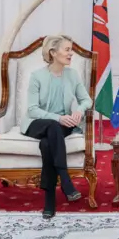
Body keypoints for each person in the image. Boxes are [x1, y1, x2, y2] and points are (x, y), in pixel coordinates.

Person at [20, 35, 93, 219]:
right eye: (67, 49)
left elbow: (87, 100)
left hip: (62, 125)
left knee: (47, 144)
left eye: (71, 50)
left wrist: (79, 112)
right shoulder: (37, 76)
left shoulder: (72, 75)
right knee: (52, 127)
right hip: (37, 124)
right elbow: (32, 109)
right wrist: (58, 118)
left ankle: (50, 199)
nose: (71, 54)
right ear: (53, 52)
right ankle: (65, 181)